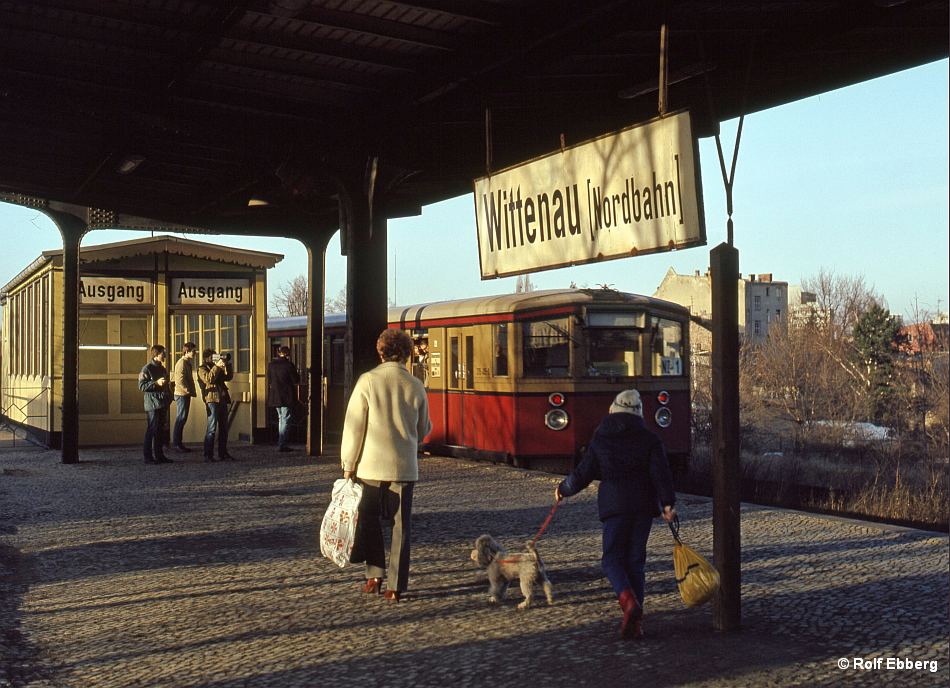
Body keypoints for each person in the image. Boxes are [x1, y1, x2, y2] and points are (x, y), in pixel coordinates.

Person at [555, 389, 676, 640]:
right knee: (635, 563)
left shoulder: (602, 438)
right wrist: (667, 504)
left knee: (611, 560)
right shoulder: (650, 439)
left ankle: (628, 601)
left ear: (613, 410)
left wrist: (563, 490)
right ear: (639, 413)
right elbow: (661, 474)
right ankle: (636, 622)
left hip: (614, 507)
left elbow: (583, 474)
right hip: (643, 507)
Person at [342, 329, 431, 603]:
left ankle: (374, 575)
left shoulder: (367, 381)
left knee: (369, 522)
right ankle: (395, 586)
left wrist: (348, 464)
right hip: (404, 468)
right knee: (401, 527)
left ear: (380, 352)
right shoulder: (415, 384)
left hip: (370, 467)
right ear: (406, 354)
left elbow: (354, 427)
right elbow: (423, 428)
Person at [196, 348, 235, 462]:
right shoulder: (202, 369)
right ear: (206, 358)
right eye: (212, 357)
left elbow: (228, 377)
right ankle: (208, 454)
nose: (215, 359)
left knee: (224, 428)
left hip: (222, 399)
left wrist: (227, 365)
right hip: (211, 400)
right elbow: (209, 379)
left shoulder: (216, 368)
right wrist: (217, 366)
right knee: (212, 428)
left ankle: (223, 453)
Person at [138, 344, 173, 464]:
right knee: (152, 430)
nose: (165, 355)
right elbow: (141, 386)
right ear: (157, 354)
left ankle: (159, 455)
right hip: (152, 404)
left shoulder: (162, 369)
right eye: (163, 353)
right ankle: (148, 457)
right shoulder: (146, 369)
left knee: (160, 431)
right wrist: (155, 383)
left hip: (162, 403)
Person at [266, 345, 300, 452]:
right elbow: (295, 380)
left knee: (281, 418)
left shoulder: (271, 365)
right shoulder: (289, 365)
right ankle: (282, 443)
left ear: (278, 353)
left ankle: (281, 442)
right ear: (287, 354)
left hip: (275, 396)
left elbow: (269, 379)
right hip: (286, 396)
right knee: (285, 419)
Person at [172, 342, 198, 452]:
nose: (195, 354)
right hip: (182, 394)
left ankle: (178, 443)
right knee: (181, 418)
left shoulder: (186, 363)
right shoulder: (182, 363)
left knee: (182, 418)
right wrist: (188, 391)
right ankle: (177, 444)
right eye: (193, 351)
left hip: (184, 394)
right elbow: (179, 381)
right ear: (187, 351)